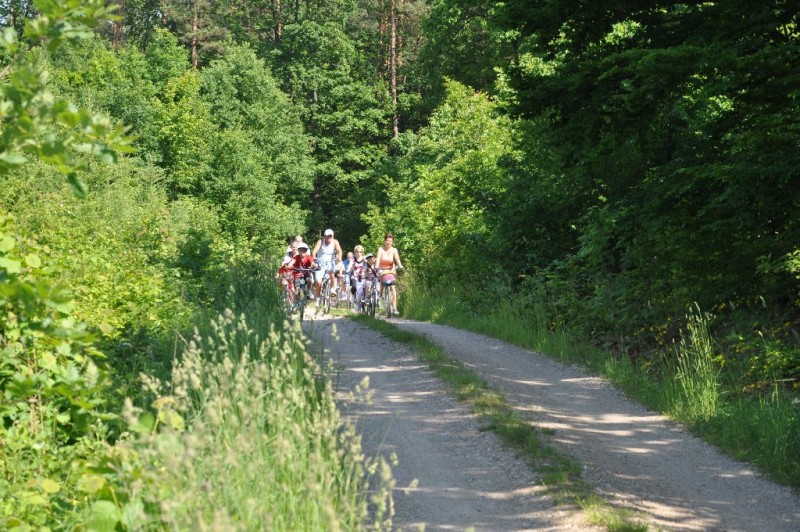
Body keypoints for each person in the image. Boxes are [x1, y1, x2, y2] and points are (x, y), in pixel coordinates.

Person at [374, 233, 404, 315]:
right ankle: (380, 297)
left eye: (390, 241)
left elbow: (397, 259)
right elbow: (378, 259)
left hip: (391, 270)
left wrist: (400, 265)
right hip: (382, 270)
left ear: (392, 242)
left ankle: (394, 307)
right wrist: (377, 266)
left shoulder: (394, 250)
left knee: (393, 288)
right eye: (387, 240)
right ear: (384, 241)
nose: (389, 242)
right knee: (382, 283)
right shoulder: (381, 249)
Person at [312, 228, 343, 303]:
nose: (329, 237)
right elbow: (314, 251)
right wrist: (314, 258)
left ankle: (332, 290)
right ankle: (318, 297)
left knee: (332, 275)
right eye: (327, 236)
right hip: (320, 263)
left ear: (332, 236)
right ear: (324, 236)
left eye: (330, 236)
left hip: (330, 262)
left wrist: (339, 257)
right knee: (318, 282)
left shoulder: (335, 242)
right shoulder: (320, 242)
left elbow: (339, 251)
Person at [349, 247, 366, 312]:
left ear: (362, 252)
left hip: (363, 276)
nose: (359, 253)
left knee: (364, 290)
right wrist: (348, 269)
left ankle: (364, 302)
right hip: (355, 276)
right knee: (354, 287)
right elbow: (350, 266)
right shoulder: (353, 259)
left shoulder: (364, 259)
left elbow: (368, 265)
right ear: (355, 252)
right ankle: (353, 296)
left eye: (360, 252)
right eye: (357, 252)